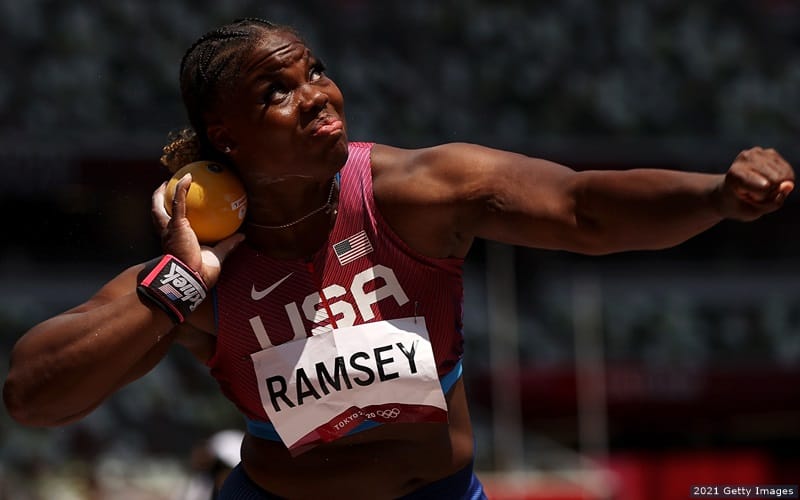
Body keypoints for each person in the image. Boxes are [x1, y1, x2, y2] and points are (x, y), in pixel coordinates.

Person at [2, 17, 795, 500]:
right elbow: (33, 395)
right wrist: (180, 283)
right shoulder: (203, 268)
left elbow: (583, 208)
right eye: (277, 91)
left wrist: (714, 197)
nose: (316, 92)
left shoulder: (416, 191)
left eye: (314, 69)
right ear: (227, 139)